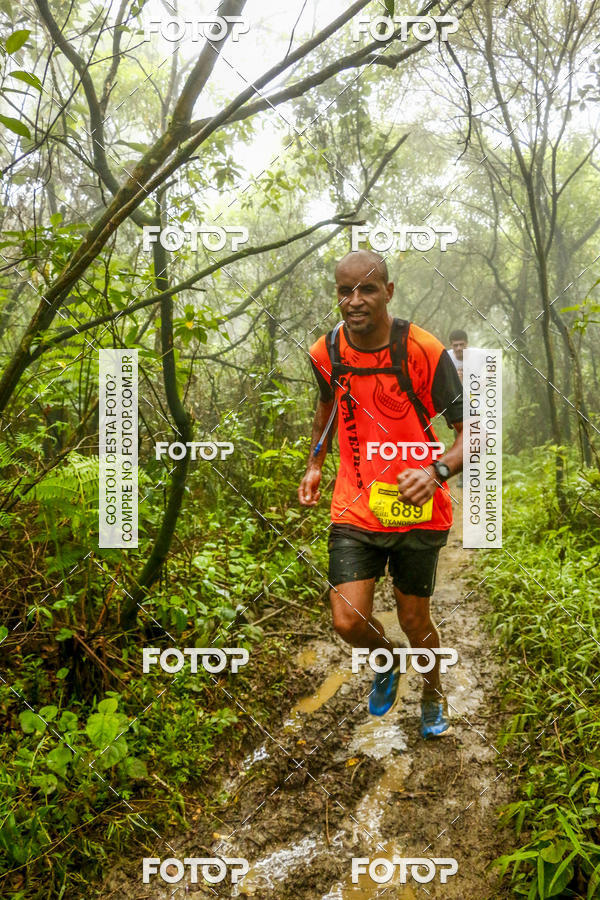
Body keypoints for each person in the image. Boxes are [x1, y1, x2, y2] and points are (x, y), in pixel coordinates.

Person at [298, 250, 463, 739]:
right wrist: (314, 464)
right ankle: (385, 660)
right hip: (356, 503)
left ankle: (433, 691)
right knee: (348, 621)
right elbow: (327, 404)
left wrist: (435, 471)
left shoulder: (423, 350)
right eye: (345, 291)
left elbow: (471, 432)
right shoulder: (325, 352)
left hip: (418, 509)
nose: (355, 301)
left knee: (415, 620)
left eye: (367, 289)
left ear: (388, 292)